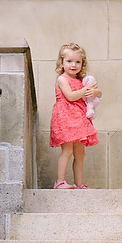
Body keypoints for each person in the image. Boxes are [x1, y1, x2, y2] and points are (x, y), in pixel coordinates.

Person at [50, 42, 101, 189]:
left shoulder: (81, 81)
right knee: (68, 150)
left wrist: (96, 92)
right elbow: (71, 96)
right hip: (65, 117)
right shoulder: (62, 79)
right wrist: (86, 90)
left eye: (78, 62)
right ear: (62, 62)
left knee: (80, 153)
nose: (74, 65)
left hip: (79, 117)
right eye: (69, 61)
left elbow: (97, 94)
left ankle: (79, 183)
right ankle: (59, 181)